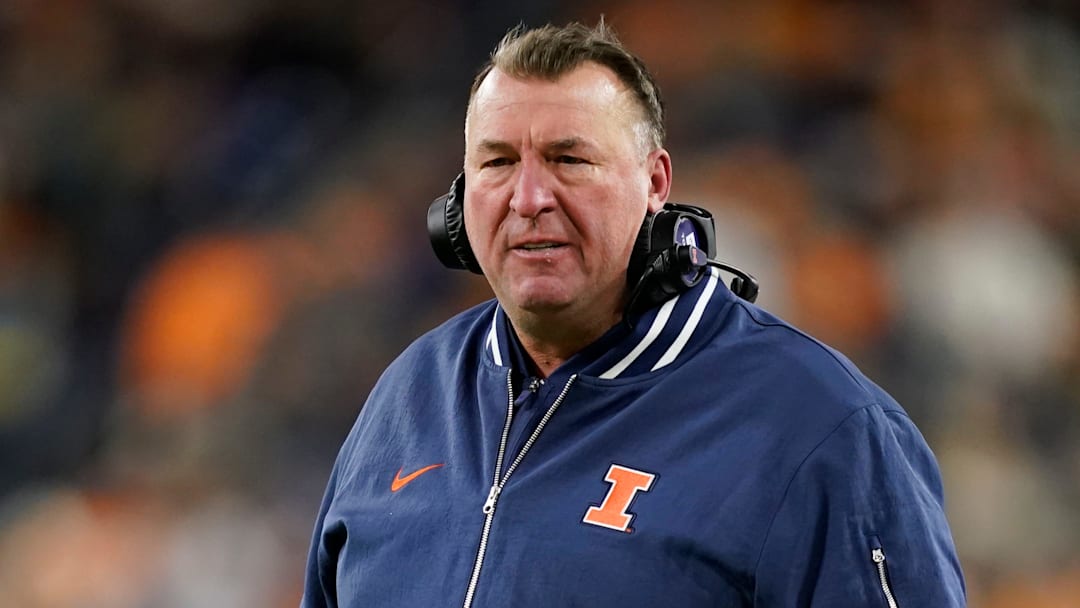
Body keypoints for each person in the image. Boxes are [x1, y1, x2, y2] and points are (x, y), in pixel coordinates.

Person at [302, 21, 966, 607]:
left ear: (655, 183)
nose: (529, 197)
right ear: (457, 203)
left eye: (570, 159)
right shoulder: (409, 396)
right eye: (498, 162)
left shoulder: (819, 426)